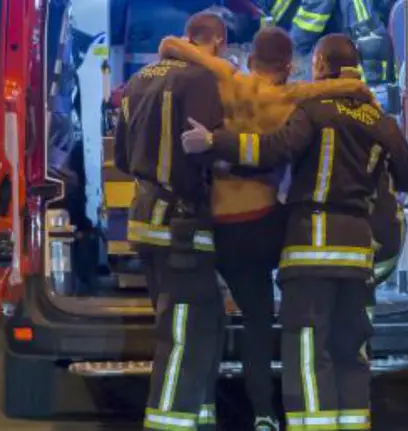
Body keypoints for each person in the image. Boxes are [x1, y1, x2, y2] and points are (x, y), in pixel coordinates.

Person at [181, 33, 408, 430]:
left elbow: (271, 149)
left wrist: (215, 141)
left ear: (319, 65)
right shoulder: (380, 121)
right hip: (357, 251)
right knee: (352, 350)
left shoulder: (312, 112)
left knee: (310, 352)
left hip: (310, 247)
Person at [159, 27, 372, 431]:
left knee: (226, 318)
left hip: (221, 224)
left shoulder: (227, 76)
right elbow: (335, 91)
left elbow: (171, 46)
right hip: (263, 226)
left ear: (251, 56)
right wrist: (358, 90)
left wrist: (182, 45)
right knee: (266, 313)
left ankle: (221, 407)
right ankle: (264, 412)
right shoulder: (291, 97)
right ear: (289, 65)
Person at [115, 11, 228, 431]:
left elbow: (124, 158)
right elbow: (207, 151)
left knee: (201, 326)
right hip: (183, 226)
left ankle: (200, 418)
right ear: (215, 42)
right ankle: (169, 424)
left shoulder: (140, 78)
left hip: (145, 220)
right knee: (183, 334)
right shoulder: (199, 80)